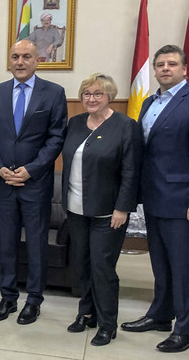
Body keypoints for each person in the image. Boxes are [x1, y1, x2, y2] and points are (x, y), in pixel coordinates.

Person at [121, 45, 189, 353]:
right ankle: (160, 315)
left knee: (184, 269)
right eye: (160, 64)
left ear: (184, 69)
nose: (165, 68)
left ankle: (187, 330)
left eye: (172, 64)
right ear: (154, 70)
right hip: (155, 199)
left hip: (184, 205)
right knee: (161, 265)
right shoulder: (151, 101)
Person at [0, 39, 67, 325]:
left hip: (35, 183)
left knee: (36, 244)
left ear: (37, 60)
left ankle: (33, 300)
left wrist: (32, 169)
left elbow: (56, 137)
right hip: (3, 183)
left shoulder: (54, 93)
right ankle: (7, 297)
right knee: (5, 243)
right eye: (15, 56)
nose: (19, 62)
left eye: (26, 56)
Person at [62, 73, 142, 346]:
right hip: (75, 208)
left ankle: (108, 323)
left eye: (98, 93)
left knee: (102, 267)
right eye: (86, 93)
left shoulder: (125, 126)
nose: (91, 98)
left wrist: (123, 208)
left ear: (110, 96)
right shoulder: (74, 123)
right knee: (81, 264)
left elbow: (131, 171)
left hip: (108, 213)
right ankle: (86, 313)